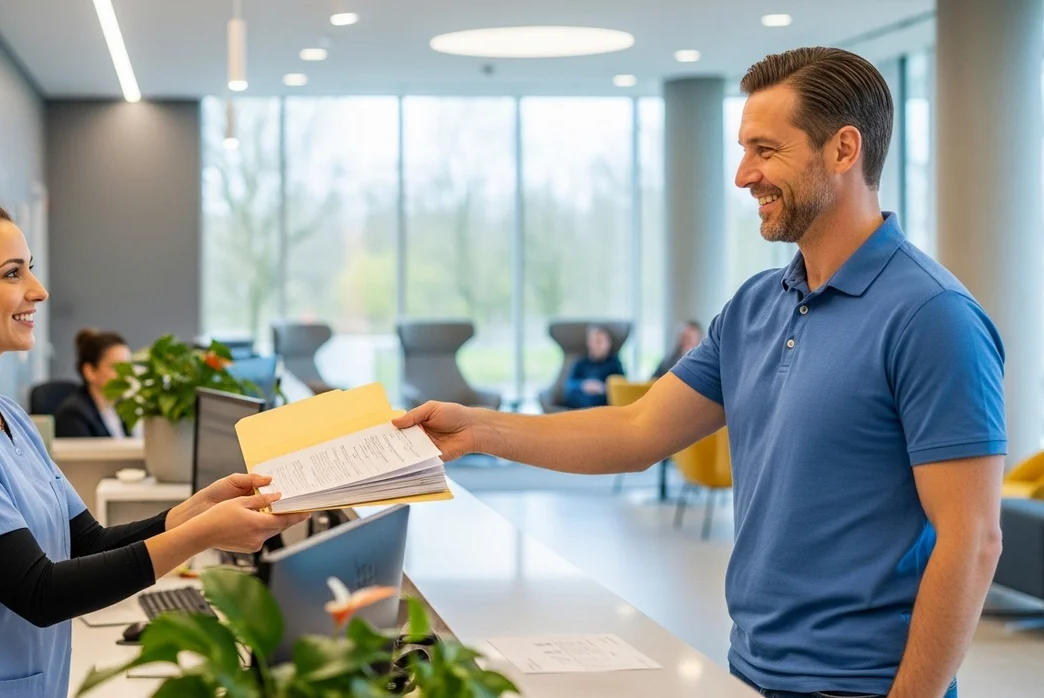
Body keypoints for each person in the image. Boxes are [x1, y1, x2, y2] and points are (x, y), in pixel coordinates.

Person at [396, 48, 1002, 698]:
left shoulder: (934, 317)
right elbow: (636, 429)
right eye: (744, 149)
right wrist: (479, 429)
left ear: (843, 150)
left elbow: (972, 541)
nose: (743, 175)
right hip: (751, 671)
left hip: (863, 684)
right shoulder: (754, 306)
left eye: (765, 150)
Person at [0, 197, 308, 698]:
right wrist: (202, 535)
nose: (39, 290)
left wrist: (191, 513)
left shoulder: (7, 416)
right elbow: (40, 591)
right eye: (12, 274)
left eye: (31, 269)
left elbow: (85, 544)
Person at [55, 328, 132, 438]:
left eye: (127, 367)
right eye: (117, 367)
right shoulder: (73, 415)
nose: (126, 375)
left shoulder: (121, 408)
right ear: (90, 371)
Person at [563, 325, 626, 409]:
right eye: (595, 341)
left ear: (608, 344)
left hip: (603, 401)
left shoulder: (614, 363)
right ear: (588, 343)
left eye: (601, 341)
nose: (598, 345)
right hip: (581, 400)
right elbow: (569, 385)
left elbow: (622, 386)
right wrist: (584, 385)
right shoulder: (581, 362)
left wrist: (603, 388)